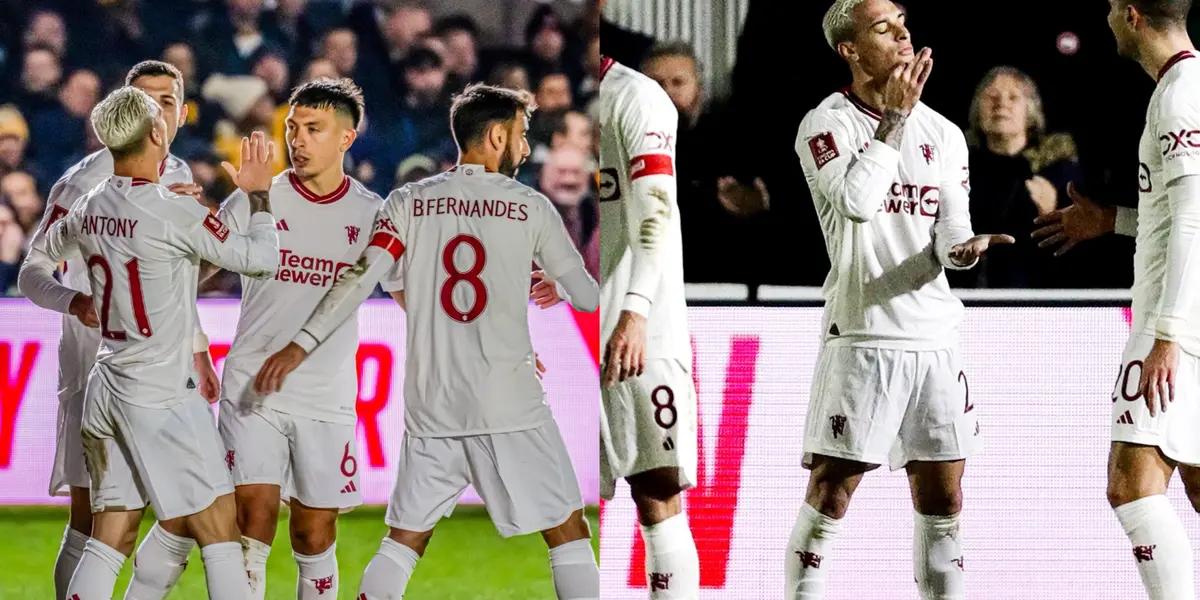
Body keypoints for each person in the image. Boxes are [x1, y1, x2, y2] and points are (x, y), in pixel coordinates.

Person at [253, 83, 601, 600]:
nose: (526, 150)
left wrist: (301, 341)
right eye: (523, 136)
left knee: (403, 542)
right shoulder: (530, 207)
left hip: (432, 406)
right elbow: (588, 298)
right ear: (498, 135)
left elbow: (365, 279)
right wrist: (559, 285)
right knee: (569, 533)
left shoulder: (408, 202)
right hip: (509, 403)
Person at [788, 1, 1013, 598]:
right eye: (883, 28)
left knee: (945, 499)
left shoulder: (943, 133)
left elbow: (949, 239)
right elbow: (858, 204)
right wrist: (892, 122)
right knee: (830, 495)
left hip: (934, 338)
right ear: (851, 50)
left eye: (903, 22)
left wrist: (966, 251)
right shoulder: (825, 125)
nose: (903, 34)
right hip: (863, 337)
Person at [24, 86, 279, 599]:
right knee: (219, 531)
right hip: (161, 392)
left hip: (106, 385)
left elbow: (39, 261)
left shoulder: (88, 204)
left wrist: (75, 301)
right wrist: (258, 194)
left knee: (109, 537)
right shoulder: (171, 210)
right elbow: (262, 260)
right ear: (157, 133)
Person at [207, 78, 402, 600]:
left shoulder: (370, 213)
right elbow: (196, 265)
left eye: (313, 129)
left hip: (326, 394)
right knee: (252, 519)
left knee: (314, 533)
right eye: (292, 128)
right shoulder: (257, 197)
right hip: (253, 385)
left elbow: (409, 294)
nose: (297, 139)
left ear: (346, 138)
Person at [1049, 1, 1200, 598]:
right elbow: (1174, 213)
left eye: (1112, 7)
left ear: (1133, 16)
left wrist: (1166, 332)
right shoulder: (1187, 86)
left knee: (1131, 486)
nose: (1106, 16)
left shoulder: (1179, 96)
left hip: (1176, 320)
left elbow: (1193, 218)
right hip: (1188, 313)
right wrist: (1114, 220)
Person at [597, 50, 701, 597]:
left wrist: (635, 310)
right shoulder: (547, 102)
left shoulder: (637, 98)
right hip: (571, 327)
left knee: (656, 490)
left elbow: (656, 209)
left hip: (639, 328)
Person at [950, 66, 1083, 288]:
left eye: (1013, 97)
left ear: (1030, 112)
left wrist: (1054, 214)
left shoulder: (1058, 172)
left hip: (1036, 298)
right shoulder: (956, 167)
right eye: (992, 96)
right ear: (977, 110)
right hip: (967, 296)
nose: (1001, 103)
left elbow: (1083, 253)